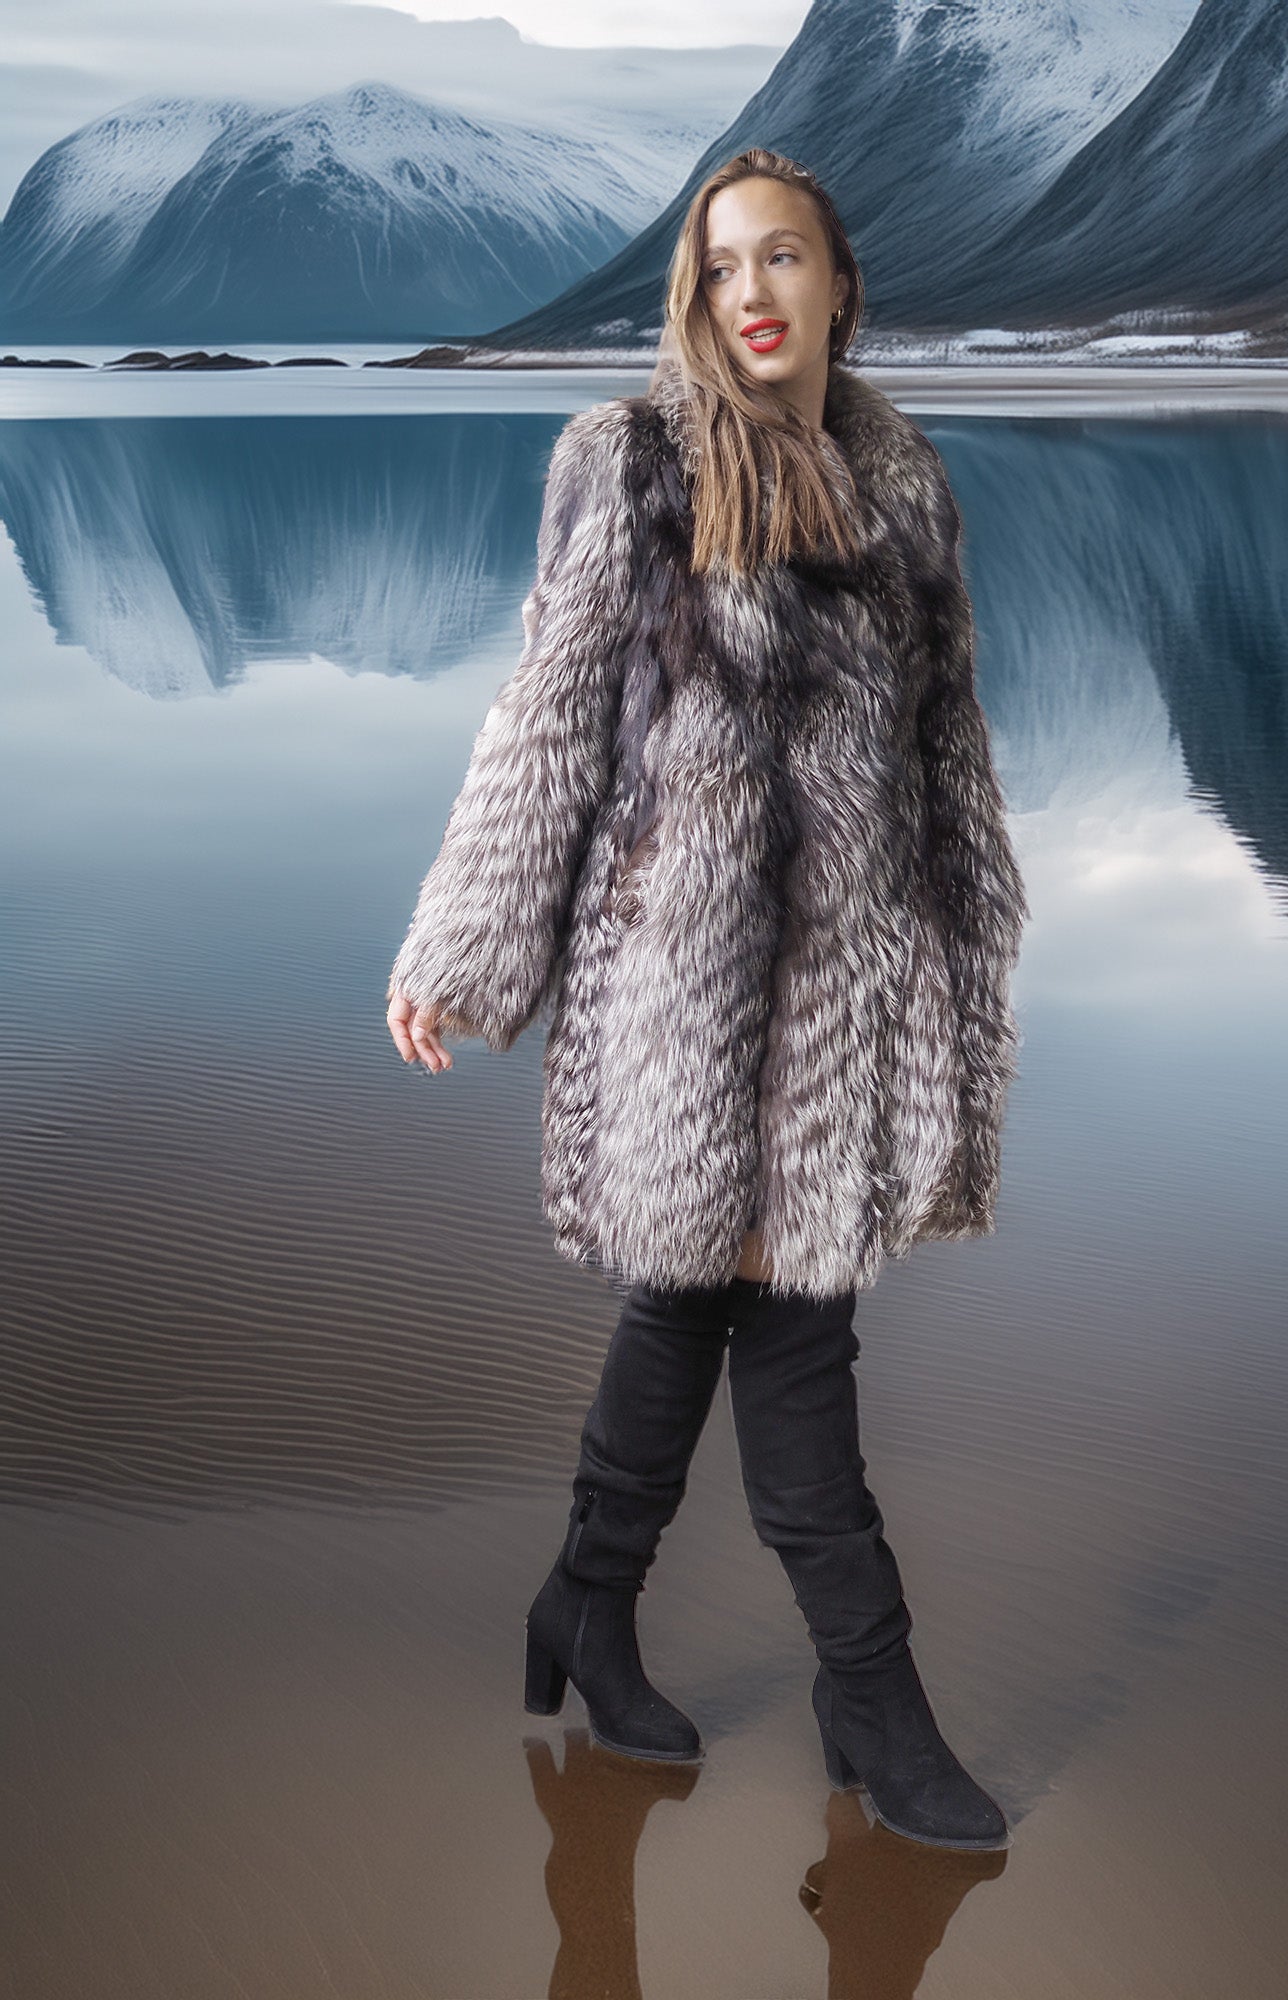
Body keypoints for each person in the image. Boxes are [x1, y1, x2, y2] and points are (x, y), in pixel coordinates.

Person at [386, 149, 1029, 1851]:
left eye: (785, 258)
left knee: (710, 1311)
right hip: (673, 994)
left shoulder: (904, 488)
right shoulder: (633, 464)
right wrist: (464, 946)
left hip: (836, 1003)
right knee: (774, 1326)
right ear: (695, 296)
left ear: (840, 286)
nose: (753, 291)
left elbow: (949, 759)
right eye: (724, 264)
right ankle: (871, 1699)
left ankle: (591, 1606)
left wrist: (965, 975)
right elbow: (545, 717)